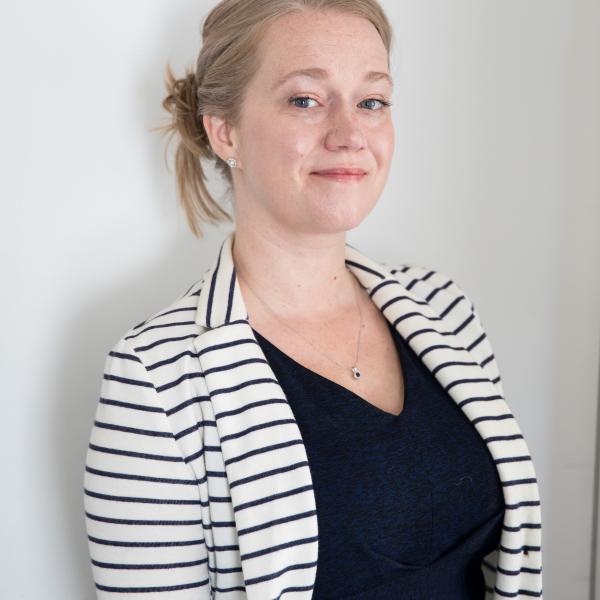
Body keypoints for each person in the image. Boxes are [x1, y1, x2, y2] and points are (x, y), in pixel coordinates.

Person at [82, 1, 543, 598]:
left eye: (371, 101)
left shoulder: (445, 310)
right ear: (226, 131)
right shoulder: (156, 381)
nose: (350, 135)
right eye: (305, 99)